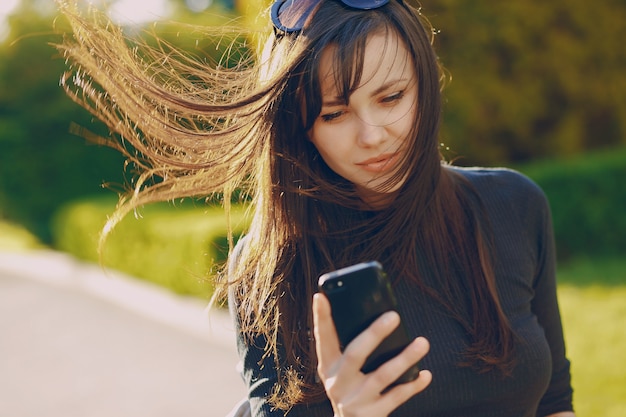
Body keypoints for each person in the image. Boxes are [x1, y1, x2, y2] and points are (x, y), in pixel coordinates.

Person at [56, 0, 575, 416]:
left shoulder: (512, 206)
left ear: (425, 85)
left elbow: (554, 402)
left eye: (391, 97)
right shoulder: (269, 271)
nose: (372, 136)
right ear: (301, 129)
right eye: (334, 114)